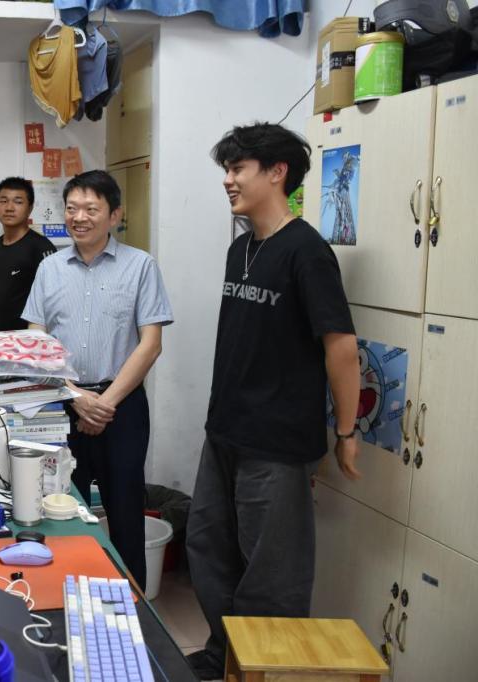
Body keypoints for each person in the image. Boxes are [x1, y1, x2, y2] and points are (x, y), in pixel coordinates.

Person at [184, 123, 361, 681]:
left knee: (272, 575)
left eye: (238, 168)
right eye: (227, 169)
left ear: (277, 172)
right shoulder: (241, 248)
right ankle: (225, 657)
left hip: (277, 444)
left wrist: (346, 433)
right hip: (225, 432)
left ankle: (263, 669)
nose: (228, 180)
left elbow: (341, 348)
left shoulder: (306, 251)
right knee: (208, 547)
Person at [22, 170, 173, 589]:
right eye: (72, 208)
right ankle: (62, 598)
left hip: (122, 409)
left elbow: (150, 345)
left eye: (91, 208)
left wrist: (103, 403)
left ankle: (132, 606)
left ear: (114, 215)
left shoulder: (141, 266)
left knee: (125, 514)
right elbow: (37, 342)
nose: (79, 217)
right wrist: (75, 397)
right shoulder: (49, 268)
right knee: (57, 511)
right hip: (61, 407)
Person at [0, 177, 56, 332]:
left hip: (28, 340)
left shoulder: (42, 247)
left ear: (30, 208)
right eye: (3, 201)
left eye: (18, 202)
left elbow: (54, 300)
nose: (9, 208)